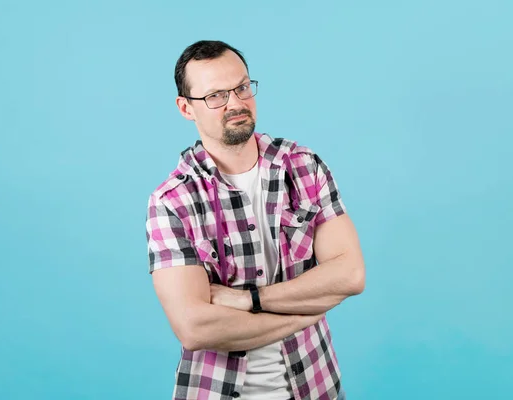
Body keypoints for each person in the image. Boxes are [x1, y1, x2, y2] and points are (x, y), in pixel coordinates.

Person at [145, 40, 365, 400]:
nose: (236, 103)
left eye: (242, 87)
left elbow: (350, 275)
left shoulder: (303, 166)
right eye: (215, 95)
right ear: (186, 108)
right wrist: (308, 309)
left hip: (316, 384)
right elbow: (194, 327)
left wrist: (250, 299)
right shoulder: (172, 201)